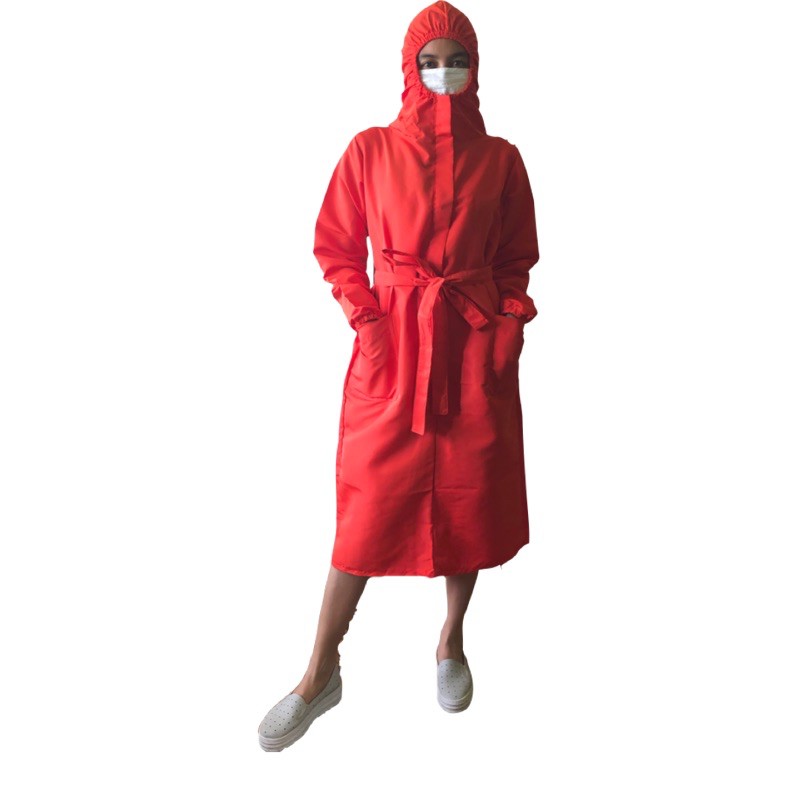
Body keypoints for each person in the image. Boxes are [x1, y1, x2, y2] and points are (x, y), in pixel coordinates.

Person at [258, 0, 540, 751]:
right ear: (409, 70)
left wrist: (507, 324)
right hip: (396, 348)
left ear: (477, 69)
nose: (444, 73)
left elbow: (516, 256)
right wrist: (370, 320)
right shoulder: (370, 150)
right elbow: (335, 245)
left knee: (471, 498)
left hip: (473, 343)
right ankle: (320, 671)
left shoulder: (502, 159)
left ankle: (451, 639)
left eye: (458, 60)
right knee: (367, 506)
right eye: (430, 61)